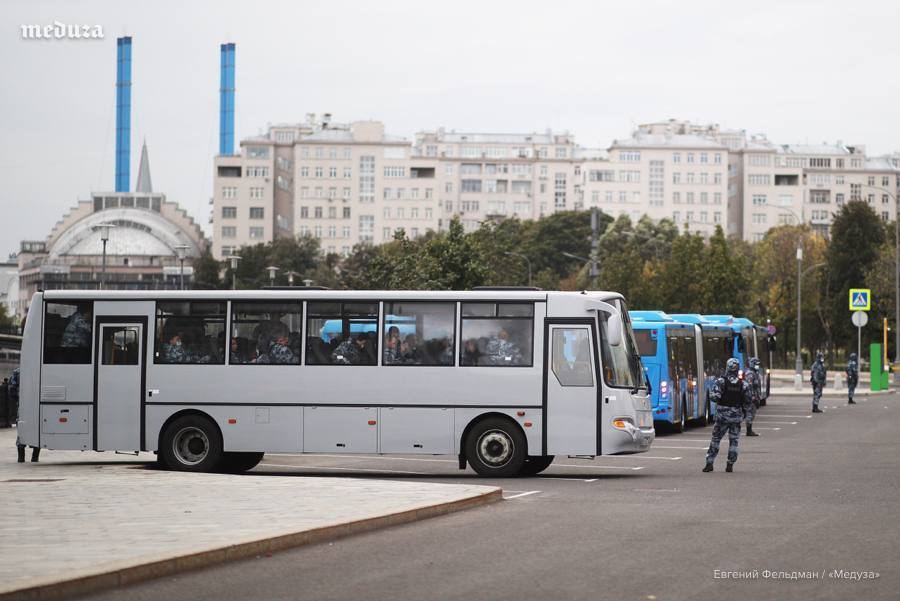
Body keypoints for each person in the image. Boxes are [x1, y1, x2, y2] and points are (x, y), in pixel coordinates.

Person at [703, 358, 753, 473]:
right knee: (734, 440)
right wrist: (744, 412)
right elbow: (748, 400)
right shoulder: (743, 384)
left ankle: (709, 463)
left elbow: (714, 397)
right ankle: (730, 464)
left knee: (716, 439)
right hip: (736, 416)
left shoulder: (721, 381)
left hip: (722, 417)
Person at [744, 357, 762, 436]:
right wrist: (752, 397)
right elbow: (749, 386)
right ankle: (749, 430)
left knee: (752, 414)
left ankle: (749, 429)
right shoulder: (750, 374)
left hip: (755, 398)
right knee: (749, 414)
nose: (757, 366)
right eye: (756, 364)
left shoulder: (755, 373)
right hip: (751, 398)